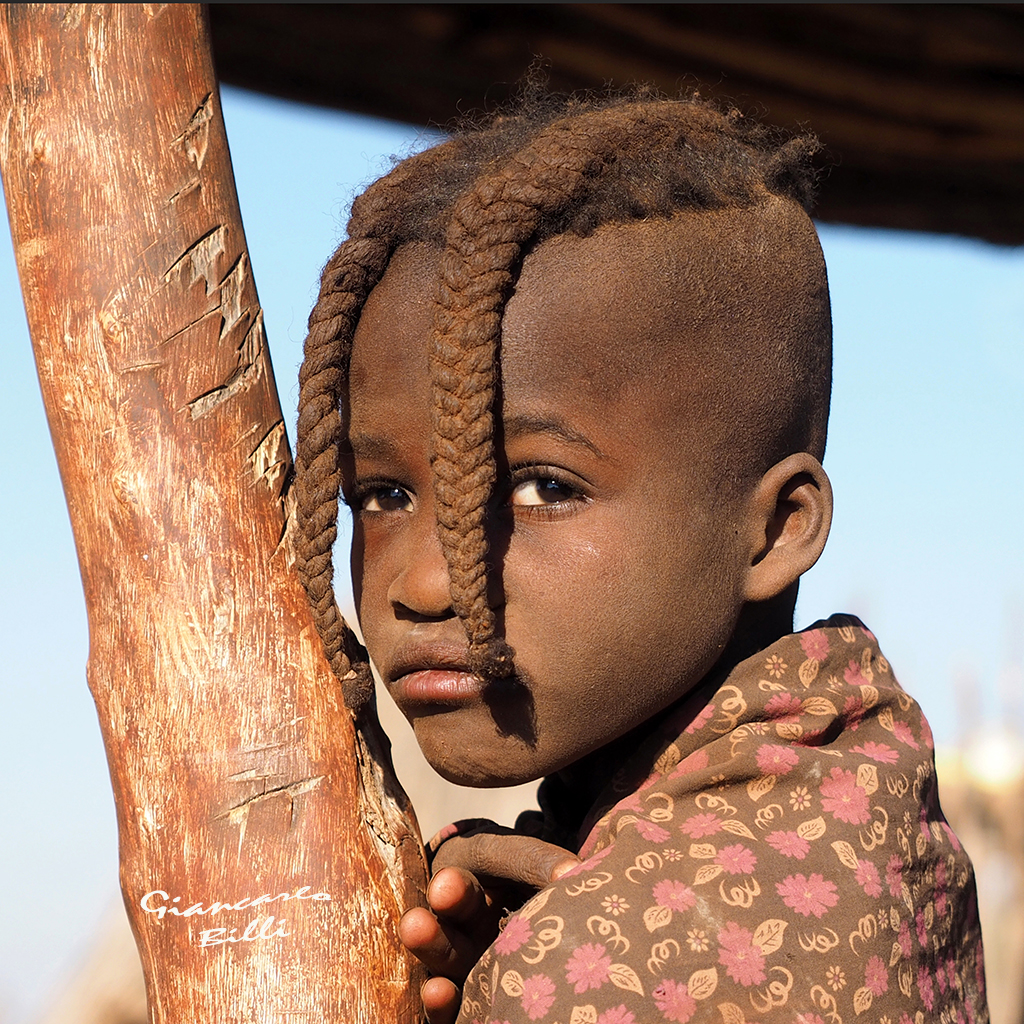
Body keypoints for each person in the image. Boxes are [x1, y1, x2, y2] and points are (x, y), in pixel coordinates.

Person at [293, 90, 988, 1024]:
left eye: (542, 488)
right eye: (382, 495)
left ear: (779, 529)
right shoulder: (855, 793)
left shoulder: (611, 965)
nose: (422, 585)